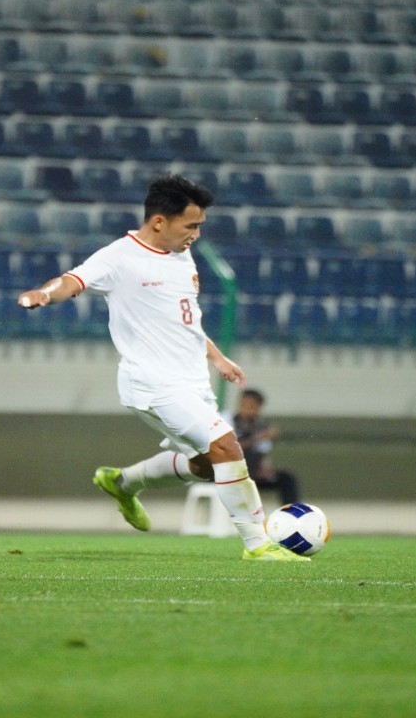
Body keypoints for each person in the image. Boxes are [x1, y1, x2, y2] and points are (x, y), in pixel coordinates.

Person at [18, 174, 307, 561]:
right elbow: (71, 282)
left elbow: (183, 321)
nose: (196, 234)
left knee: (208, 465)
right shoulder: (118, 256)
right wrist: (44, 294)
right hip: (152, 383)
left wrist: (217, 357)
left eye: (200, 226)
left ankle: (122, 482)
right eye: (191, 225)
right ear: (159, 221)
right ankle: (258, 543)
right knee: (227, 445)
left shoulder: (180, 254)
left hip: (192, 382)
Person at [231, 388, 300, 506]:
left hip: (253, 474)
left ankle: (290, 515)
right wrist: (259, 437)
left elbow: (262, 453)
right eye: (244, 405)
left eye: (252, 406)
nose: (247, 410)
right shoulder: (227, 420)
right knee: (246, 455)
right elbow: (231, 449)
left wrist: (265, 469)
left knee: (287, 478)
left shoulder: (260, 424)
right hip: (229, 472)